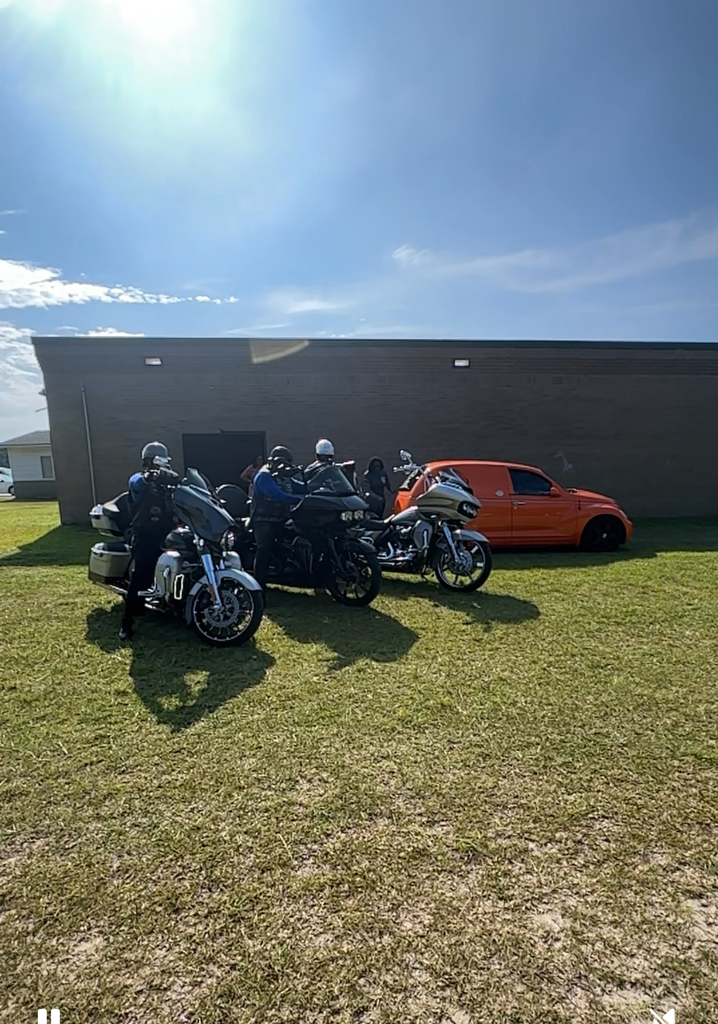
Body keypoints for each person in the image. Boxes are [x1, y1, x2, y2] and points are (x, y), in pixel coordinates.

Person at [119, 441, 177, 641]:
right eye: (158, 461)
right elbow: (137, 483)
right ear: (149, 461)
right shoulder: (139, 479)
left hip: (168, 534)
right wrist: (149, 476)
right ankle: (127, 623)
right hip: (145, 534)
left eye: (164, 461)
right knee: (141, 574)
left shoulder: (168, 484)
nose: (162, 465)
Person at [250, 446, 302, 594]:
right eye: (282, 463)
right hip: (263, 520)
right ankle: (259, 585)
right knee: (264, 548)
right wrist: (299, 499)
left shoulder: (283, 476)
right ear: (273, 461)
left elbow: (300, 487)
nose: (284, 466)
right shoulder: (264, 476)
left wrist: (319, 489)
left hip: (280, 519)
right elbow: (275, 494)